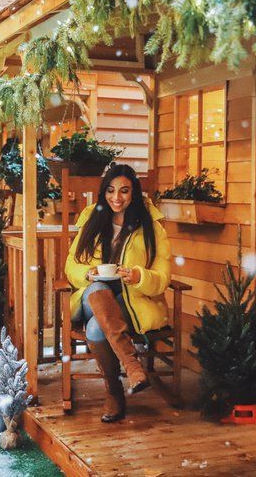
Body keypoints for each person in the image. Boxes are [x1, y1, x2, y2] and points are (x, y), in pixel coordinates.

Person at [64, 163, 172, 423]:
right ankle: (133, 367)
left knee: (95, 330)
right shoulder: (93, 219)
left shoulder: (150, 227)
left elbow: (163, 276)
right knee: (98, 289)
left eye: (124, 191)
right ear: (104, 192)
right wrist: (86, 274)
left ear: (133, 193)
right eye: (111, 190)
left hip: (130, 301)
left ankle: (113, 391)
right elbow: (71, 265)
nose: (116, 197)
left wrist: (139, 276)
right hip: (91, 297)